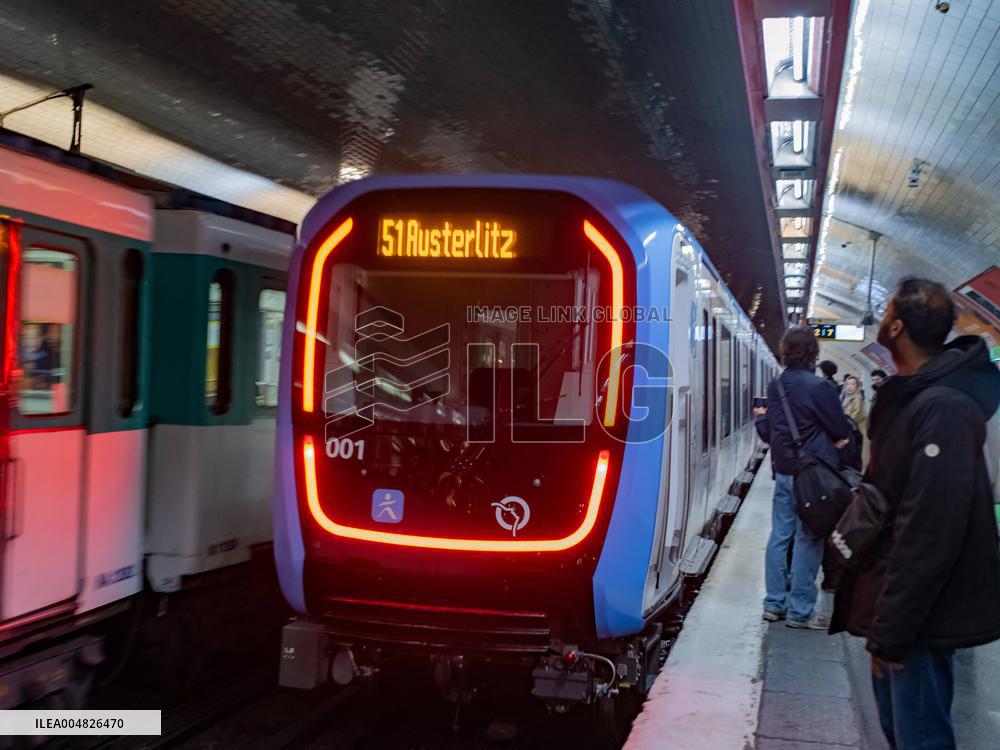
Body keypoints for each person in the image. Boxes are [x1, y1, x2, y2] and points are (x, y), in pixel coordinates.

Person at [831, 278, 1000, 750]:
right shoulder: (920, 398)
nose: (880, 320)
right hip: (905, 609)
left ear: (898, 326)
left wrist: (893, 631)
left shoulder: (940, 407)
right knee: (905, 732)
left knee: (920, 737)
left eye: (884, 312)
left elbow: (930, 528)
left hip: (919, 619)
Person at [754, 327, 853, 629]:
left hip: (784, 473)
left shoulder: (776, 386)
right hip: (813, 477)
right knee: (809, 539)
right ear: (813, 353)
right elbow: (840, 430)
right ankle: (799, 611)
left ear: (785, 352)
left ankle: (773, 604)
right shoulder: (820, 388)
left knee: (779, 536)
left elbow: (772, 428)